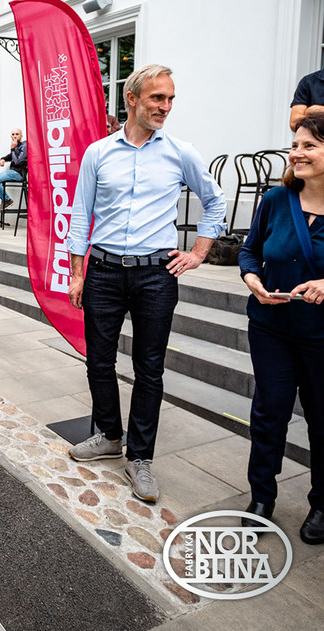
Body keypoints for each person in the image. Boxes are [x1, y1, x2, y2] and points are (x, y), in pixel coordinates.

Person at [65, 64, 227, 502]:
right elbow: (80, 215)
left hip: (156, 274)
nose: (166, 107)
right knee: (98, 361)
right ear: (132, 98)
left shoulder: (181, 152)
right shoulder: (98, 153)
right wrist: (77, 272)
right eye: (158, 98)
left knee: (148, 369)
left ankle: (140, 457)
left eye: (170, 99)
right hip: (103, 271)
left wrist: (197, 253)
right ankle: (110, 435)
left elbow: (216, 201)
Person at [238, 112, 324, 542]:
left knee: (321, 418)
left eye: (309, 145)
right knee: (269, 412)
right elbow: (250, 251)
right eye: (295, 144)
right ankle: (261, 496)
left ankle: (322, 503)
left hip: (320, 335)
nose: (297, 153)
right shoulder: (275, 199)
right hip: (270, 324)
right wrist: (253, 281)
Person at [0, 129, 27, 210]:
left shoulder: (25, 146)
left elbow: (18, 161)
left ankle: (7, 200)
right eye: (13, 134)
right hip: (12, 172)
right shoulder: (16, 146)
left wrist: (12, 149)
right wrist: (3, 159)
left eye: (17, 134)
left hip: (19, 173)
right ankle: (5, 200)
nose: (15, 136)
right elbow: (10, 156)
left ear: (21, 136)